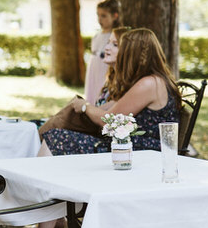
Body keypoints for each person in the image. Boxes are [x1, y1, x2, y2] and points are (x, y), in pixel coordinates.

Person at [42, 28, 179, 156]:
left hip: (143, 152)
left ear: (133, 54)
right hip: (131, 146)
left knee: (56, 137)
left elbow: (110, 121)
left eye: (122, 48)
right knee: (59, 134)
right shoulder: (151, 81)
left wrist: (85, 106)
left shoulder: (149, 83)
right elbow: (115, 108)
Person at [36, 25, 130, 140]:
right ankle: (38, 135)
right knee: (67, 111)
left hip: (101, 133)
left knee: (62, 120)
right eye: (108, 42)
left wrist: (85, 107)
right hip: (93, 124)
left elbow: (107, 114)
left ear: (127, 51)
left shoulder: (129, 84)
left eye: (115, 45)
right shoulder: (112, 77)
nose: (106, 48)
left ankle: (35, 139)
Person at [84, 0, 122, 105]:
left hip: (105, 70)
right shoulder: (96, 36)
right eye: (98, 15)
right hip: (94, 69)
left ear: (115, 16)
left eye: (104, 16)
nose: (100, 19)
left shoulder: (115, 36)